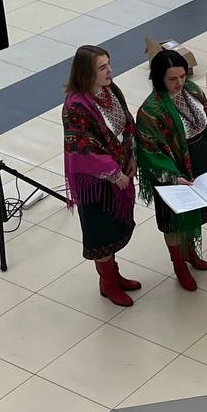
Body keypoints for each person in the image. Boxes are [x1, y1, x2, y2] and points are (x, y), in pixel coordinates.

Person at [62, 45, 140, 308]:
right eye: (103, 67)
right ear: (86, 72)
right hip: (96, 184)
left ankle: (114, 274)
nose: (110, 71)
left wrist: (131, 155)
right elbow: (83, 149)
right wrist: (114, 173)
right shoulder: (76, 107)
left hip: (119, 171)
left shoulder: (110, 90)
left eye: (109, 64)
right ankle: (107, 282)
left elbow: (127, 123)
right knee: (102, 235)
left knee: (114, 229)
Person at [136, 49, 207, 290]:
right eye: (172, 79)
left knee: (195, 212)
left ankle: (191, 253)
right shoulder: (151, 111)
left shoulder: (192, 91)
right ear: (159, 78)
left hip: (200, 159)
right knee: (175, 220)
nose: (179, 83)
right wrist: (174, 176)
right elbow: (150, 151)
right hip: (173, 172)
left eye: (182, 76)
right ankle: (179, 265)